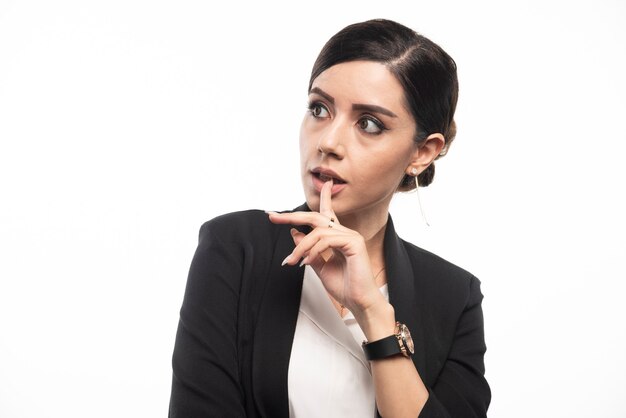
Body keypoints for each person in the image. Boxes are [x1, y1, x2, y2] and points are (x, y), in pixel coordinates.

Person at [169, 18, 490, 417]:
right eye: (319, 109)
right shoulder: (236, 248)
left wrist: (373, 313)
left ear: (422, 152)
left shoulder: (452, 296)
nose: (328, 142)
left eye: (369, 124)